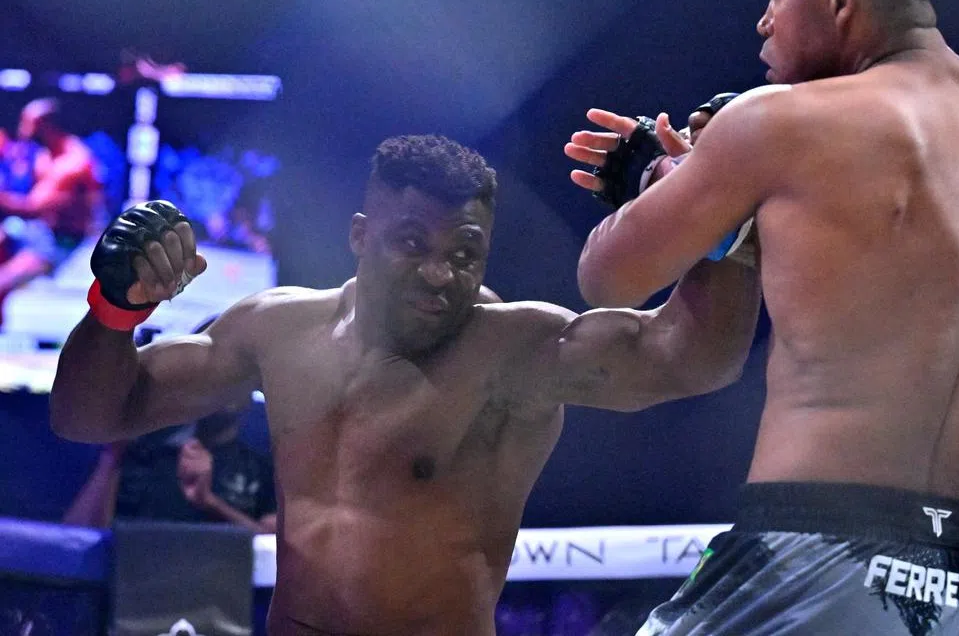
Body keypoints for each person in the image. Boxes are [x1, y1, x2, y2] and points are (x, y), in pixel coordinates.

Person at [565, 0, 959, 635]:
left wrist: (654, 187)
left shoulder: (777, 125)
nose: (763, 19)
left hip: (810, 555)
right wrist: (730, 211)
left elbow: (609, 278)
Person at [49, 134, 761, 635]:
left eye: (464, 252)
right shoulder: (278, 330)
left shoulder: (517, 349)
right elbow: (91, 416)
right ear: (361, 236)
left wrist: (722, 210)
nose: (438, 272)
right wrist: (116, 309)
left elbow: (691, 357)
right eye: (412, 243)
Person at [62, 402, 278, 534]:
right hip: (136, 595)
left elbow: (276, 554)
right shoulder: (137, 454)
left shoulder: (263, 468)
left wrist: (210, 503)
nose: (228, 382)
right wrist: (113, 455)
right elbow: (74, 541)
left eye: (239, 370)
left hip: (223, 600)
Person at [0, 97, 102, 322]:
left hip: (60, 241)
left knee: (2, 281)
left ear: (46, 125)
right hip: (37, 231)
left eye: (28, 123)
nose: (22, 130)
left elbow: (33, 208)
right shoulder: (44, 154)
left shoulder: (71, 164)